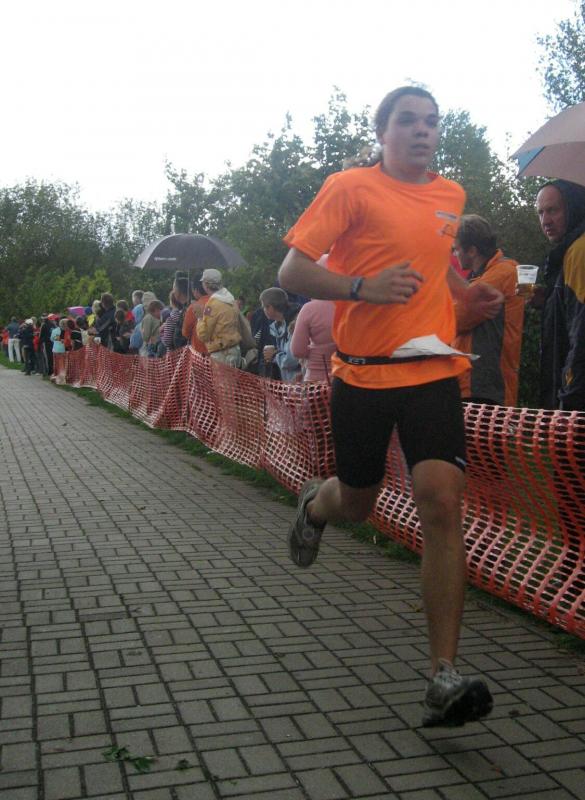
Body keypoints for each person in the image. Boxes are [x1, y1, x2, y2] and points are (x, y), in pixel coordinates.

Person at [279, 86, 503, 728]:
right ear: (383, 132)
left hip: (432, 371)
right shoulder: (350, 187)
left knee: (441, 502)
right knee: (357, 501)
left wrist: (466, 294)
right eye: (408, 120)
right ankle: (316, 504)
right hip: (363, 374)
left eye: (432, 122)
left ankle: (443, 676)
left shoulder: (450, 195)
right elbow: (292, 272)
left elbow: (434, 265)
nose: (422, 130)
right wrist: (361, 287)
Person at [452, 215, 524, 406]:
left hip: (487, 385)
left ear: (472, 250)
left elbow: (456, 316)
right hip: (475, 383)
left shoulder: (503, 272)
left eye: (457, 249)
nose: (455, 254)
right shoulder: (482, 276)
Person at [535, 179, 585, 411]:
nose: (545, 220)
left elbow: (581, 332)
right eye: (540, 213)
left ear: (573, 207)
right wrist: (549, 301)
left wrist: (569, 398)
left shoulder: (579, 251)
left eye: (553, 210)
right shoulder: (570, 249)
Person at [195, 268, 242, 366]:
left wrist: (200, 318)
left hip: (222, 354)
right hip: (234, 350)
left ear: (206, 284)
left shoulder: (213, 304)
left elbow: (204, 335)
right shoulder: (230, 299)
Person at [259, 288, 301, 382]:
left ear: (270, 307)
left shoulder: (294, 324)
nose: (263, 310)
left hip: (300, 383)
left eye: (263, 307)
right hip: (289, 382)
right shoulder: (279, 325)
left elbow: (292, 360)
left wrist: (274, 355)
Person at [182, 279, 209, 355]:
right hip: (218, 351)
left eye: (193, 290)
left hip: (200, 352)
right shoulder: (218, 303)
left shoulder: (193, 307)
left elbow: (185, 332)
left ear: (196, 290)